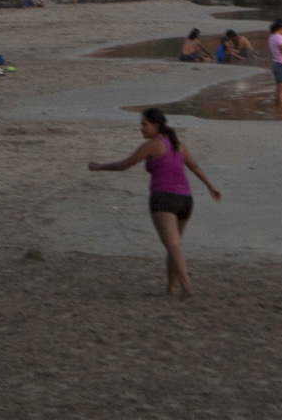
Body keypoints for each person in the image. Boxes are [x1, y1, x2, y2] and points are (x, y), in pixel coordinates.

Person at [89, 108, 222, 297]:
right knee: (173, 245)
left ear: (156, 125)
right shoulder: (178, 145)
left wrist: (99, 167)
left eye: (144, 124)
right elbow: (194, 166)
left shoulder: (153, 145)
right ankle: (171, 287)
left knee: (173, 245)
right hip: (185, 200)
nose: (141, 128)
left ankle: (186, 287)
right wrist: (210, 186)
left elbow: (124, 165)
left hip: (164, 199)